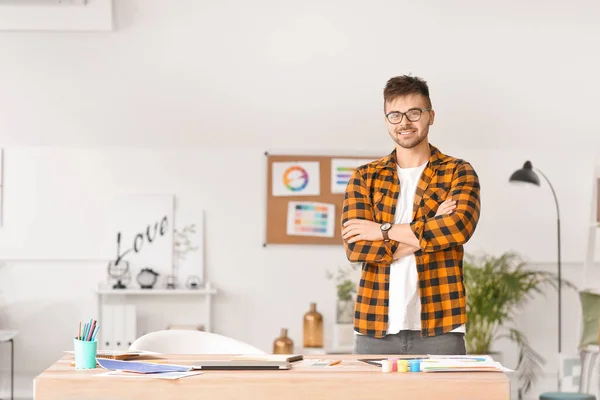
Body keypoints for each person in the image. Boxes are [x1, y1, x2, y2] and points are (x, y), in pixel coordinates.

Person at [341, 75, 481, 355]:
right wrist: (431, 228)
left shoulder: (458, 171)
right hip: (374, 328)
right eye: (395, 115)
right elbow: (356, 247)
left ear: (430, 116)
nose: (404, 122)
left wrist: (381, 230)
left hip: (441, 327)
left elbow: (457, 229)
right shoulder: (365, 177)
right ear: (386, 120)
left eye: (414, 113)